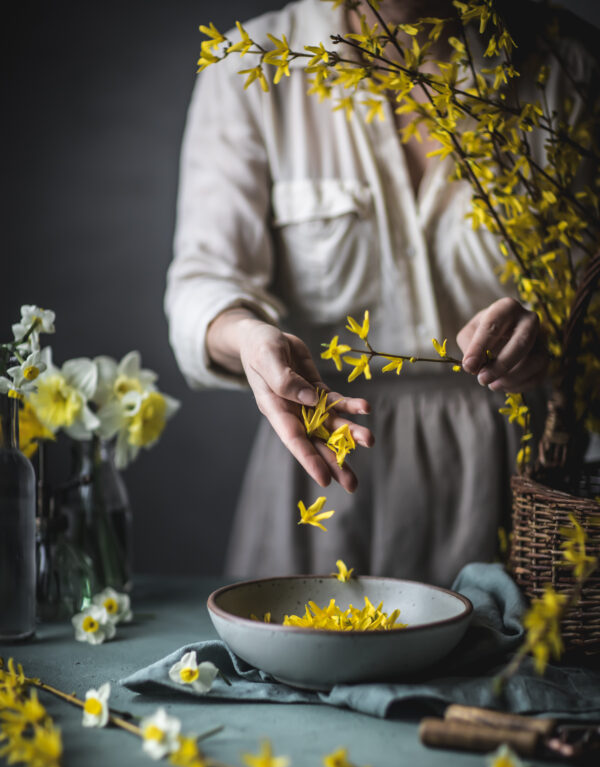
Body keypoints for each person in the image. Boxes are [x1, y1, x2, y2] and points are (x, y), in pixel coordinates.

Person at [164, 0, 591, 585]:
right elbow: (204, 283)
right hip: (327, 457)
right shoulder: (251, 64)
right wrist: (249, 339)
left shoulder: (563, 65)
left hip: (516, 468)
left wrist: (556, 337)